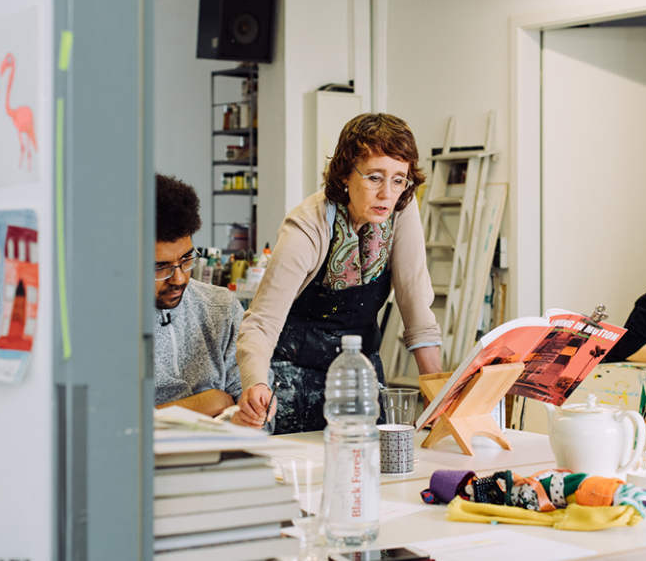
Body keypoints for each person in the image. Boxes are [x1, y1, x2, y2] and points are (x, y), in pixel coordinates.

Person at [233, 114, 443, 433]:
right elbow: (261, 323)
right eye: (374, 177)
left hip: (359, 370)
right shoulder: (306, 227)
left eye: (399, 179)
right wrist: (255, 384)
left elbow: (415, 304)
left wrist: (437, 391)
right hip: (292, 373)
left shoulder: (401, 206)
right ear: (345, 173)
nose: (387, 193)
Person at [153, 173, 243, 417]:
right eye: (160, 267)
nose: (179, 279)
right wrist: (205, 403)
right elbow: (105, 426)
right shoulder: (101, 326)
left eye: (186, 259)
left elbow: (259, 415)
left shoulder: (222, 308)